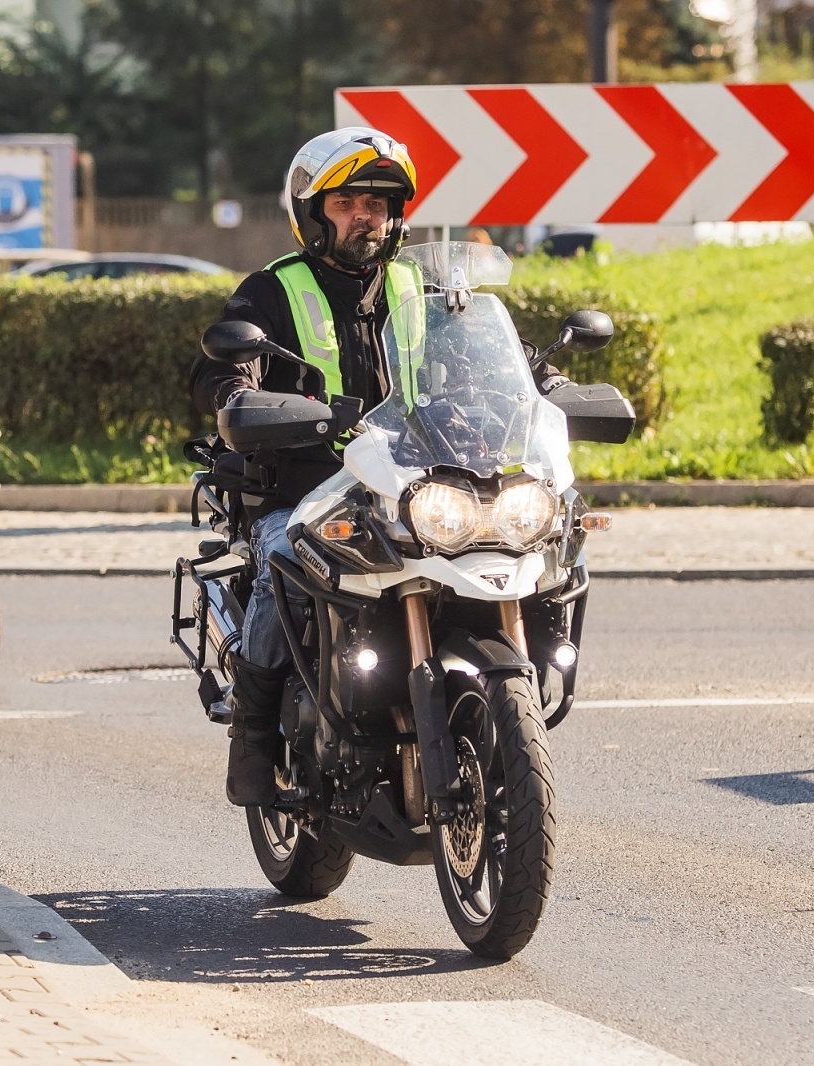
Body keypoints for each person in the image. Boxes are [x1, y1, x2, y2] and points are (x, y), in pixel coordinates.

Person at [189, 128, 574, 806]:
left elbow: (485, 356)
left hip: (420, 481)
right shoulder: (273, 291)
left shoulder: (425, 283)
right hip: (309, 485)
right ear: (313, 210)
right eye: (349, 202)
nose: (367, 215)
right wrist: (238, 397)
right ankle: (252, 733)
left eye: (380, 203)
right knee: (286, 557)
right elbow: (223, 369)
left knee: (551, 538)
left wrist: (548, 387)